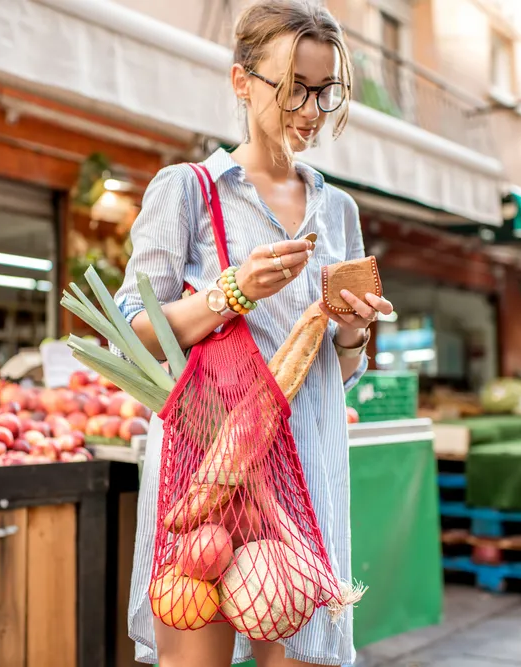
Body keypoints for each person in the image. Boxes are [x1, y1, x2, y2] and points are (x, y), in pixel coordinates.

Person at [113, 2, 394, 665]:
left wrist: (352, 334)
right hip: (207, 475)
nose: (312, 109)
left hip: (304, 472)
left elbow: (340, 371)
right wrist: (230, 292)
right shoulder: (185, 190)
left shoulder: (339, 210)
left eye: (325, 91)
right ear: (242, 82)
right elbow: (136, 333)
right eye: (294, 86)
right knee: (195, 656)